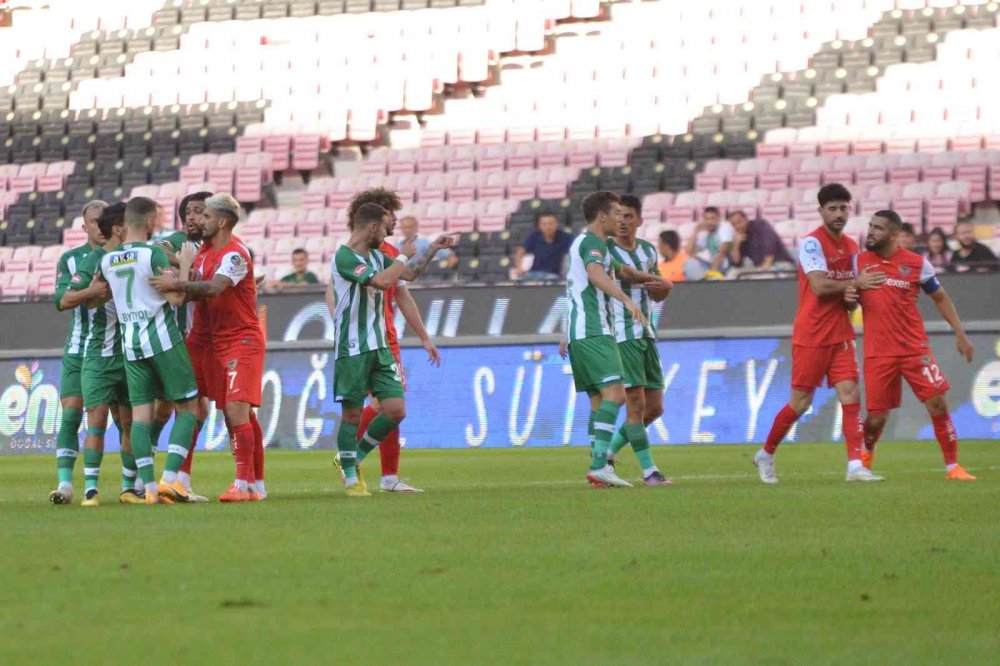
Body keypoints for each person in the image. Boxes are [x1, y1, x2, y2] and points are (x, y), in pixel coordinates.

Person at [754, 184, 886, 484]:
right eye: (833, 208)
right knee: (800, 403)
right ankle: (767, 452)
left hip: (841, 333)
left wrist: (854, 294)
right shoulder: (812, 244)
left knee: (851, 395)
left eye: (843, 208)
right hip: (812, 334)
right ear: (821, 211)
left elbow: (849, 294)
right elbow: (820, 286)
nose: (839, 214)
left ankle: (855, 466)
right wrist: (857, 282)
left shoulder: (853, 247)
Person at [328, 202, 457, 497]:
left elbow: (407, 275)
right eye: (385, 226)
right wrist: (402, 255)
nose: (389, 231)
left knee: (396, 410)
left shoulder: (376, 255)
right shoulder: (344, 256)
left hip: (380, 346)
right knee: (351, 415)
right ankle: (351, 478)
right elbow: (383, 282)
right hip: (353, 347)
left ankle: (354, 458)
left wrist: (433, 249)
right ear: (372, 227)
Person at [151, 194, 267, 502]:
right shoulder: (202, 252)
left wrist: (177, 282)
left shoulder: (235, 254)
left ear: (222, 221)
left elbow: (214, 288)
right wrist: (173, 269)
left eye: (206, 216)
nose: (199, 220)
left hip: (239, 340)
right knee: (189, 406)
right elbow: (194, 287)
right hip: (205, 340)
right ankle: (178, 481)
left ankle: (246, 485)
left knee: (236, 411)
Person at [854, 210, 976, 480]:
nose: (871, 232)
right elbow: (845, 299)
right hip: (878, 352)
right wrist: (853, 285)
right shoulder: (858, 262)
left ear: (895, 235)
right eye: (870, 226)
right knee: (876, 417)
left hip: (914, 349)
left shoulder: (917, 264)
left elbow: (941, 297)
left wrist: (960, 333)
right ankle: (866, 456)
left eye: (878, 228)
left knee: (938, 404)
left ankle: (952, 467)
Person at [99, 196, 200, 504]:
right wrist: (183, 267)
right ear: (151, 223)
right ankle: (170, 479)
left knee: (141, 418)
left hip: (131, 345)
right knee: (189, 408)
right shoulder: (152, 254)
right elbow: (178, 300)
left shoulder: (107, 260)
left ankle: (149, 489)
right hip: (162, 340)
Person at [562, 191, 651, 489]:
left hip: (579, 333)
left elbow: (613, 272)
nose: (619, 218)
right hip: (595, 330)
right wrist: (626, 299)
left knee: (599, 403)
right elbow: (597, 275)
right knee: (616, 395)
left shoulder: (584, 244)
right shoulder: (592, 243)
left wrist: (653, 280)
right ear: (602, 216)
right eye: (615, 213)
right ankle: (600, 465)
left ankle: (598, 468)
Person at [61, 202, 139, 505]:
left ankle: (128, 488)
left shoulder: (134, 255)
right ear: (119, 228)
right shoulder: (93, 260)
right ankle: (91, 490)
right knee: (97, 419)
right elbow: (70, 298)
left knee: (131, 422)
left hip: (131, 352)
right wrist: (93, 292)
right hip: (98, 353)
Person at [602, 194, 673, 485]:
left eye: (629, 216)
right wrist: (664, 282)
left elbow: (656, 289)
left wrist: (663, 288)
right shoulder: (605, 249)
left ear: (639, 220)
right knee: (636, 405)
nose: (622, 222)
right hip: (621, 332)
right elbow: (628, 275)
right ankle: (649, 472)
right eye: (618, 216)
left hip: (645, 333)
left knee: (655, 407)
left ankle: (606, 453)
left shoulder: (647, 250)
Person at [148, 190, 214, 502]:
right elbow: (157, 251)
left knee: (193, 408)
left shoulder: (217, 248)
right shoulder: (177, 242)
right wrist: (184, 263)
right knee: (179, 408)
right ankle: (162, 478)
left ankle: (168, 479)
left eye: (198, 211)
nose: (190, 217)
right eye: (187, 211)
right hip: (175, 336)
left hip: (202, 339)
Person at [49, 200, 107, 505]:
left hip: (112, 350)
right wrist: (90, 293)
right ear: (84, 227)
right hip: (78, 347)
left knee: (118, 420)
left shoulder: (122, 255)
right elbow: (62, 299)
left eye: (105, 220)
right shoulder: (71, 260)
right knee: (71, 414)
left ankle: (131, 483)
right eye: (94, 222)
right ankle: (65, 485)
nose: (100, 226)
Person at [727, 209, 794, 271]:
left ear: (746, 219)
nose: (737, 226)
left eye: (739, 222)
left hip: (780, 263)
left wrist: (765, 267)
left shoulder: (760, 225)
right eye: (733, 224)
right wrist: (736, 246)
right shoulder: (738, 238)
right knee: (734, 273)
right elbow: (736, 263)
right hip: (759, 268)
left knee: (763, 276)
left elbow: (770, 245)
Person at [513, 212, 573, 281]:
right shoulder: (534, 236)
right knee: (519, 281)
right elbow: (520, 251)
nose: (548, 227)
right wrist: (519, 268)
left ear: (556, 224)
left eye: (551, 224)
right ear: (539, 225)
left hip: (553, 275)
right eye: (544, 224)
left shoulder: (565, 237)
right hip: (534, 273)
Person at [685, 206, 733, 277]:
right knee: (689, 263)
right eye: (707, 219)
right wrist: (696, 231)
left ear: (718, 218)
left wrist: (712, 274)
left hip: (725, 266)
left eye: (712, 218)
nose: (710, 222)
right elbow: (689, 251)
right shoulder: (705, 233)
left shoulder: (725, 227)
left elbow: (722, 253)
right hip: (710, 265)